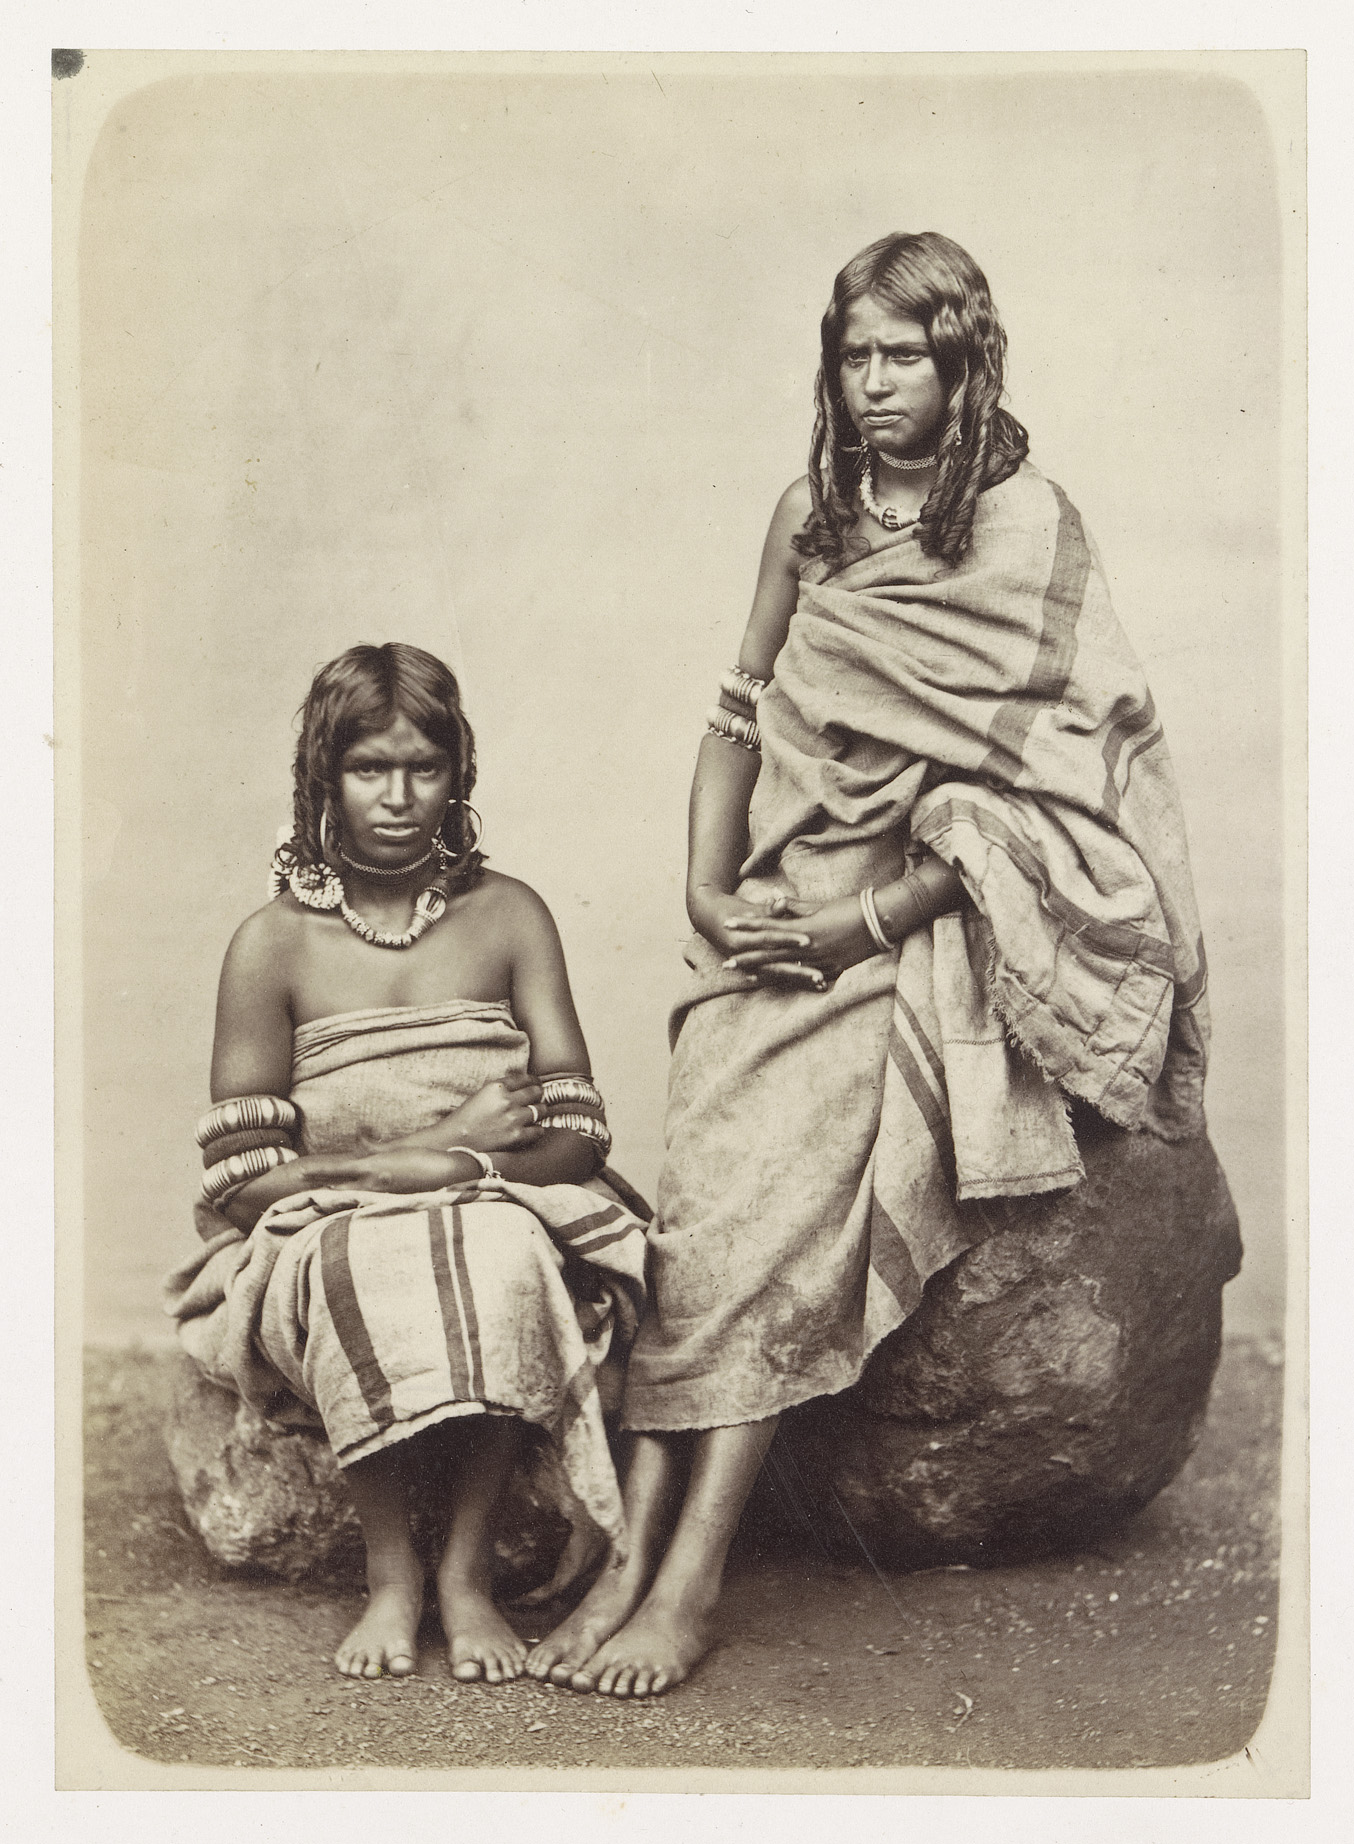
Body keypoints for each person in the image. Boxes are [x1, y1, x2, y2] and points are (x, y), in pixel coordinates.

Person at [526, 230, 1211, 1698]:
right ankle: (626, 1560)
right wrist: (707, 890)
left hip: (912, 924)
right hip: (778, 909)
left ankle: (687, 1580)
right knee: (702, 1197)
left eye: (907, 355)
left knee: (778, 1202)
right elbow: (736, 713)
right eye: (855, 355)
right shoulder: (808, 515)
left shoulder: (1024, 531)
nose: (877, 383)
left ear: (964, 365)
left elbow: (1056, 792)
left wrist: (870, 920)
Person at [165, 643, 648, 1684]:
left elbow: (576, 1129)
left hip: (499, 1198)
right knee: (360, 1261)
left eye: (423, 767)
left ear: (456, 772)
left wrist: (466, 1168)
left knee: (504, 1253)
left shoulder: (508, 915)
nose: (397, 797)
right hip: (324, 1219)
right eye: (368, 768)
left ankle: (464, 1575)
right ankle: (391, 1575)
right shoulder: (272, 944)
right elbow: (242, 1179)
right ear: (322, 776)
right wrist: (417, 1157)